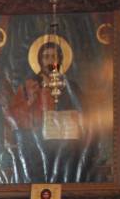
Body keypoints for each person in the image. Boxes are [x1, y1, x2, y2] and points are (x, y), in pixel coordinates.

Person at [5, 41, 96, 183]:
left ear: (60, 60)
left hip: (65, 140)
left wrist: (75, 118)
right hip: (37, 140)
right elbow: (12, 115)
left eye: (54, 56)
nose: (50, 61)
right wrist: (29, 102)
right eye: (46, 57)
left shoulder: (70, 86)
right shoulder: (29, 85)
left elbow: (84, 112)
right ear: (40, 60)